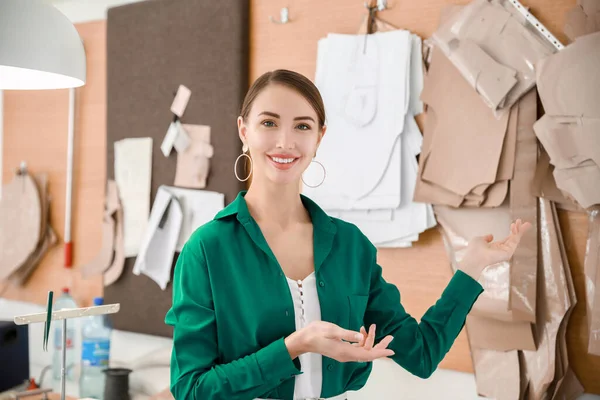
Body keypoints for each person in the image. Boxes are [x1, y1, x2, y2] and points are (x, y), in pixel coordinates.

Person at [164, 69, 531, 400]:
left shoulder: (350, 246)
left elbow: (420, 354)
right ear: (244, 131)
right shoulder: (207, 249)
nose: (286, 142)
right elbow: (191, 389)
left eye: (303, 126)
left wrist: (472, 268)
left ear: (320, 137)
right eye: (269, 123)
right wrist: (295, 345)